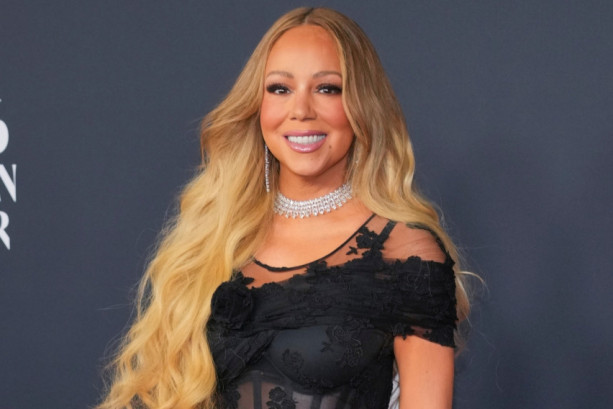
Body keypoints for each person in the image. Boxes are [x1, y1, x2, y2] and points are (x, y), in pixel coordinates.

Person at [97, 7, 471, 409]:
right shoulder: (213, 236)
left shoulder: (406, 253)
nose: (301, 110)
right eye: (280, 89)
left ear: (362, 104)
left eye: (327, 88)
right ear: (257, 105)